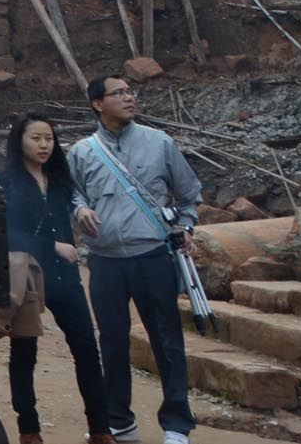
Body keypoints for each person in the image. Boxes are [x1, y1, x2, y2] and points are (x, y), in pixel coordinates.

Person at [69, 74, 203, 444]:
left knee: (167, 340)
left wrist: (186, 226)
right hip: (105, 260)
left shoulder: (159, 143)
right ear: (98, 104)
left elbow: (190, 194)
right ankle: (119, 421)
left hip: (153, 256)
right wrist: (79, 210)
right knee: (111, 341)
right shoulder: (82, 151)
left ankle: (176, 425)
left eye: (131, 92)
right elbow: (72, 193)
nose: (129, 98)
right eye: (119, 93)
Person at [0, 112, 113, 444]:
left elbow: (75, 208)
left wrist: (82, 216)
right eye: (36, 138)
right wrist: (52, 245)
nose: (44, 145)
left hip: (65, 278)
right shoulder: (3, 181)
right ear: (19, 141)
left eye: (49, 138)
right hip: (27, 275)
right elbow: (7, 232)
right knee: (24, 352)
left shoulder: (61, 179)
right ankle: (29, 430)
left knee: (87, 350)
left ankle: (101, 430)